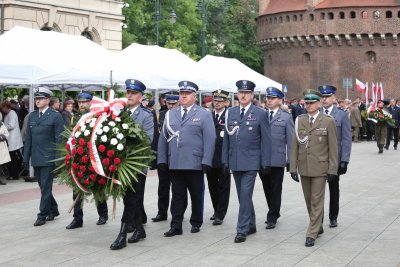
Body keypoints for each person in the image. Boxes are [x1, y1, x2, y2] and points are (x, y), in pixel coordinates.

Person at [158, 80, 216, 237]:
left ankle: (196, 222)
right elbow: (163, 138)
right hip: (175, 162)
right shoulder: (171, 114)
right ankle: (176, 225)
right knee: (177, 196)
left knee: (196, 194)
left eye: (186, 94)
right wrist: (162, 159)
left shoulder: (204, 114)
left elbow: (210, 139)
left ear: (194, 96)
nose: (183, 96)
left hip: (194, 162)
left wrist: (206, 160)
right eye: (181, 94)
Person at [222, 80, 272, 243]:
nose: (243, 95)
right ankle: (251, 223)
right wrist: (224, 160)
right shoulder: (230, 112)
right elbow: (227, 139)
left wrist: (265, 162)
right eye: (240, 92)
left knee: (244, 194)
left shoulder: (260, 113)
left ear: (252, 95)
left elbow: (267, 140)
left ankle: (241, 229)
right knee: (242, 195)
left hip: (251, 161)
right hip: (235, 160)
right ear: (237, 94)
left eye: (247, 93)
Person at [290, 89, 338, 247]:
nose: (308, 105)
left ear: (319, 104)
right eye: (306, 102)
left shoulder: (327, 121)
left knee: (317, 200)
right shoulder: (300, 120)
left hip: (320, 167)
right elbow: (295, 145)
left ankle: (311, 233)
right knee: (309, 200)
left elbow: (333, 148)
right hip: (304, 166)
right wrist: (293, 167)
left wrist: (332, 170)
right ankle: (318, 225)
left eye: (311, 103)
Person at [110, 79, 154, 250]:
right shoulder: (119, 112)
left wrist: (126, 140)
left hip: (136, 166)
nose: (129, 95)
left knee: (130, 199)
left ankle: (122, 235)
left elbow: (148, 140)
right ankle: (140, 229)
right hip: (120, 165)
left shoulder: (146, 116)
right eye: (128, 92)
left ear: (141, 96)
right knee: (132, 199)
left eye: (134, 93)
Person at [66, 92, 109, 229]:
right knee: (77, 188)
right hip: (79, 157)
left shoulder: (98, 116)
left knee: (97, 187)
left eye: (85, 102)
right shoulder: (76, 118)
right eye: (80, 102)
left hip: (94, 157)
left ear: (91, 102)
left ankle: (103, 214)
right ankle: (77, 218)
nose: (82, 104)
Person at [23, 87, 64, 226]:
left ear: (48, 100)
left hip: (49, 157)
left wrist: (58, 159)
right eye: (37, 98)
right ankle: (53, 209)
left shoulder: (55, 116)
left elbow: (59, 139)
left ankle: (42, 215)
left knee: (46, 187)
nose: (38, 101)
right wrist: (25, 157)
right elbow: (28, 138)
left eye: (41, 98)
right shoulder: (33, 116)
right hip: (36, 157)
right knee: (43, 187)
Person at [318, 85, 351, 228]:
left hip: (334, 159)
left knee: (333, 188)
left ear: (333, 98)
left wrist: (344, 160)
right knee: (317, 191)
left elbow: (346, 139)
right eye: (322, 97)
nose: (324, 99)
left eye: (327, 97)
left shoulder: (342, 115)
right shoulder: (315, 113)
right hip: (318, 159)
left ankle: (333, 217)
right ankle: (318, 218)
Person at [260, 87, 293, 230]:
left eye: (272, 98)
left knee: (275, 188)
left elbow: (291, 141)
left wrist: (290, 161)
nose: (269, 101)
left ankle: (272, 216)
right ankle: (273, 210)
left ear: (279, 100)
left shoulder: (286, 117)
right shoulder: (261, 115)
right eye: (268, 98)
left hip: (277, 159)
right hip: (262, 160)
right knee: (267, 188)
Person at [152, 93, 180, 222]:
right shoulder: (161, 115)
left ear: (178, 103)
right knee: (163, 186)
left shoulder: (181, 115)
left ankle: (177, 212)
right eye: (169, 103)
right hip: (164, 156)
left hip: (177, 156)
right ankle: (161, 212)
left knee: (178, 188)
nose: (171, 106)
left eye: (174, 104)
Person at [206, 89, 231, 226]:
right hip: (210, 158)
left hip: (223, 157)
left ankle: (220, 213)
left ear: (226, 102)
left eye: (220, 101)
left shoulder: (229, 116)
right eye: (215, 100)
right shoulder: (208, 116)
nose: (217, 103)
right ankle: (216, 209)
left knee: (223, 187)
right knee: (212, 186)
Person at [1, 100, 23, 180]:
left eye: (3, 108)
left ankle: (14, 175)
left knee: (12, 159)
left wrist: (2, 128)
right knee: (12, 158)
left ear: (6, 107)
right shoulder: (9, 114)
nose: (2, 110)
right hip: (11, 139)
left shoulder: (12, 114)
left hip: (13, 139)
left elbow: (11, 125)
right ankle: (13, 174)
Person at [0, 121, 11, 185]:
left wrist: (2, 137)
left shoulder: (1, 124)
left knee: (2, 163)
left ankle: (2, 177)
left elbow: (6, 133)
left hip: (2, 146)